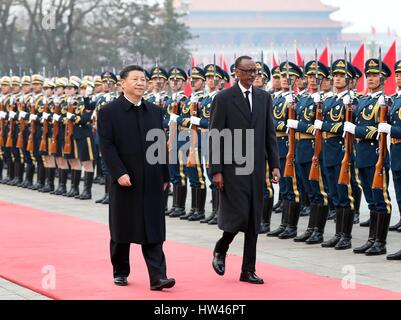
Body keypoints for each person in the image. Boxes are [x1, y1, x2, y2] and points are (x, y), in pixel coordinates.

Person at [98, 65, 174, 290]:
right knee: (122, 227)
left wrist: (164, 174)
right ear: (122, 83)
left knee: (153, 227)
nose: (141, 83)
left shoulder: (155, 111)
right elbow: (107, 146)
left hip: (151, 178)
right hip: (125, 178)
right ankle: (120, 270)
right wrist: (118, 172)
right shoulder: (108, 112)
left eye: (144, 79)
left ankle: (158, 276)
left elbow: (160, 145)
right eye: (136, 79)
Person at [209, 56, 280, 284]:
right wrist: (216, 170)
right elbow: (215, 136)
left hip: (257, 166)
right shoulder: (224, 98)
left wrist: (275, 165)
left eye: (255, 71)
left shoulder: (264, 98)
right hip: (232, 166)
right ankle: (222, 246)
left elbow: (270, 133)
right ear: (236, 72)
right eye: (247, 71)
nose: (252, 75)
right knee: (239, 214)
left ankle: (247, 269)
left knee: (253, 219)